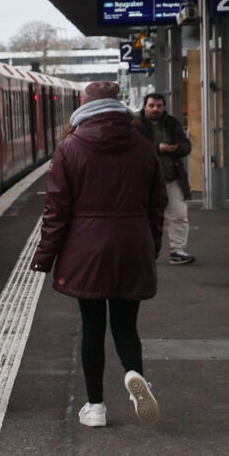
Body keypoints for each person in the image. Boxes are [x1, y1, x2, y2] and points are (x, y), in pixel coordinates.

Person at [34, 80, 168, 427]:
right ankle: (136, 375)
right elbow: (157, 204)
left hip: (86, 250)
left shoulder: (70, 148)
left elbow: (56, 210)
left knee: (92, 328)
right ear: (118, 106)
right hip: (133, 244)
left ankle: (95, 407)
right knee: (126, 326)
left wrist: (44, 257)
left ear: (85, 106)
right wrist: (150, 245)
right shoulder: (143, 147)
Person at [136, 91, 195, 264]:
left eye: (159, 106)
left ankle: (178, 250)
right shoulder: (135, 124)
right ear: (145, 106)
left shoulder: (172, 123)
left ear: (164, 107)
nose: (155, 109)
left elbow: (187, 147)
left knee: (178, 215)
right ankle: (145, 252)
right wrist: (157, 147)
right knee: (145, 218)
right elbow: (133, 147)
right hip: (143, 181)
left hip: (172, 178)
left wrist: (176, 149)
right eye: (152, 105)